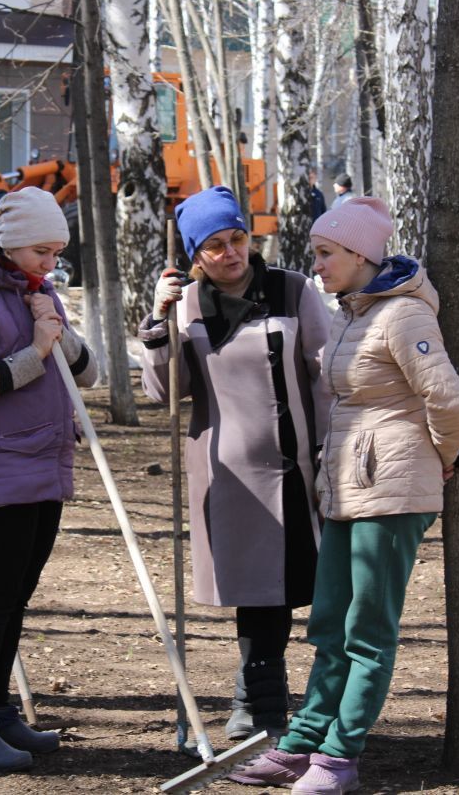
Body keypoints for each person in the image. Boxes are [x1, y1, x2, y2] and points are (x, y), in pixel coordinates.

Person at [232, 196, 459, 794]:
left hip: (393, 493)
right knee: (328, 623)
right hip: (347, 488)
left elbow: (449, 401)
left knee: (367, 631)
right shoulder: (355, 315)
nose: (315, 265)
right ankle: (303, 743)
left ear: (360, 253)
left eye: (325, 253)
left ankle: (340, 757)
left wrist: (442, 459)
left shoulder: (403, 317)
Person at [140, 185, 331, 743]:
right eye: (215, 246)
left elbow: (327, 374)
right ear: (196, 256)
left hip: (300, 465)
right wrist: (157, 319)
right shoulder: (188, 305)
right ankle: (259, 706)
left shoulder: (291, 289)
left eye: (238, 238)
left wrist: (331, 450)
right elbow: (163, 393)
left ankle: (298, 706)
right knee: (257, 592)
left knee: (303, 586)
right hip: (230, 475)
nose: (230, 253)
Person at [0, 186, 97, 771]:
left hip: (47, 459)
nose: (50, 264)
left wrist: (57, 326)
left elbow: (88, 372)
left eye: (57, 253)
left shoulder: (37, 289)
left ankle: (0, 712)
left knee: (17, 598)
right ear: (10, 244)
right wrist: (35, 349)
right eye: (41, 252)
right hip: (1, 462)